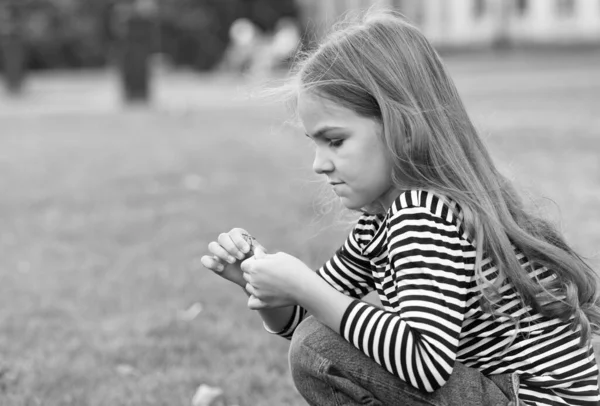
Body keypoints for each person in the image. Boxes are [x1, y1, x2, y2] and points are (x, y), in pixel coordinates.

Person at [200, 8, 600, 406]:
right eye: (314, 142)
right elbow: (307, 318)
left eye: (335, 141)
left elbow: (424, 362)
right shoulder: (382, 220)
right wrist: (260, 281)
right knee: (317, 340)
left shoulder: (423, 213)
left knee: (317, 348)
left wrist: (304, 285)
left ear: (400, 125)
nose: (318, 163)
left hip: (531, 400)